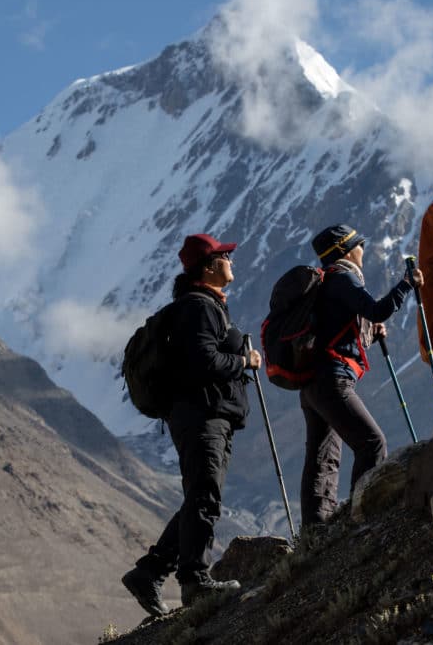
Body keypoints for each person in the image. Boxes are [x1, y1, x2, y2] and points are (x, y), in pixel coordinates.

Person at [122, 233, 262, 616]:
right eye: (224, 256)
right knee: (204, 496)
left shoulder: (201, 306)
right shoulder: (200, 307)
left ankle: (150, 572)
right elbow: (204, 362)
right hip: (202, 415)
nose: (231, 261)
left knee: (200, 495)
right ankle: (195, 581)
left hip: (202, 415)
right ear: (210, 265)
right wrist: (245, 362)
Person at [299, 224, 423, 527]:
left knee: (322, 456)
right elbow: (377, 310)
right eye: (359, 244)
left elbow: (339, 328)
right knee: (371, 443)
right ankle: (364, 515)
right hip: (332, 379)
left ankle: (315, 528)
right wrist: (407, 284)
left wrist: (368, 331)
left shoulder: (327, 280)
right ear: (345, 249)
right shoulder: (343, 276)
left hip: (312, 382)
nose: (363, 250)